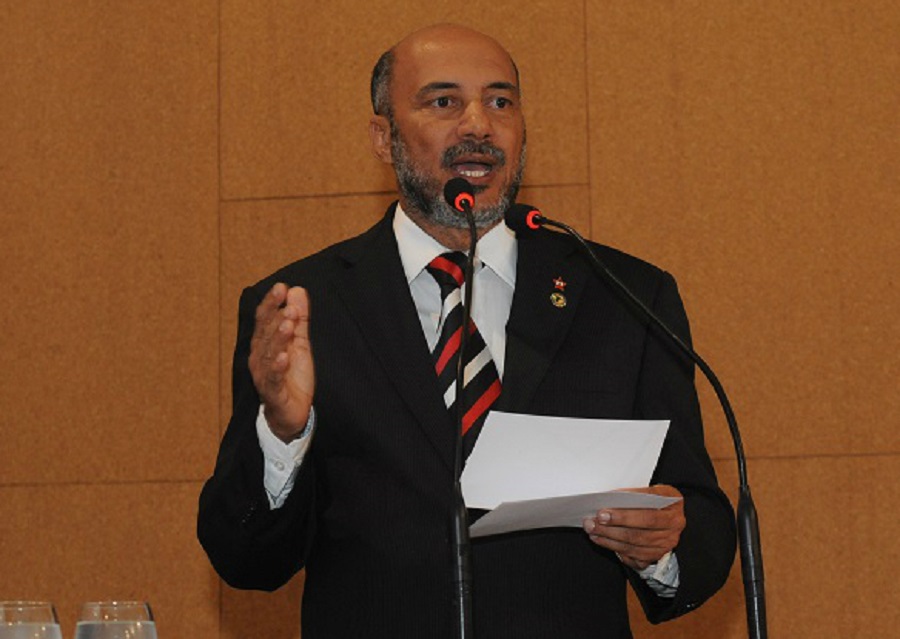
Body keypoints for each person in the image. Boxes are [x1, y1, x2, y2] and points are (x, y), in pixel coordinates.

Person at [198, 24, 735, 638]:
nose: (478, 125)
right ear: (383, 137)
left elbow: (704, 530)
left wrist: (663, 543)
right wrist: (281, 432)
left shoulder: (623, 296)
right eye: (443, 101)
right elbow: (244, 558)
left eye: (500, 102)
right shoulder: (304, 309)